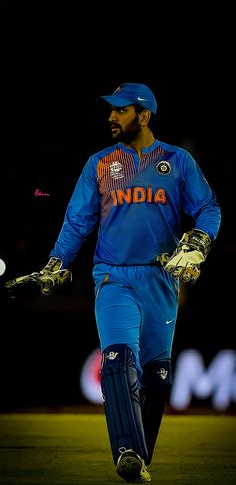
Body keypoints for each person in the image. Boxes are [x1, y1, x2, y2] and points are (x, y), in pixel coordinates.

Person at [6, 83, 221, 483]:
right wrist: (56, 263)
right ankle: (126, 451)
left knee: (156, 379)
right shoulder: (99, 164)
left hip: (161, 279)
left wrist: (200, 242)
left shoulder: (178, 162)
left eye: (121, 111)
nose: (111, 117)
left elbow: (209, 208)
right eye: (111, 111)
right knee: (118, 361)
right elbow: (77, 221)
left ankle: (140, 458)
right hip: (112, 276)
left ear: (144, 115)